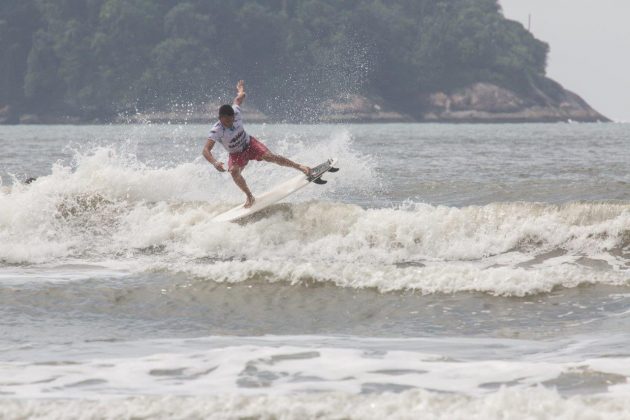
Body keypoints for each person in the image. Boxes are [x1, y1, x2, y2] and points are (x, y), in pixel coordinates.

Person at [203, 80, 311, 208]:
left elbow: (238, 100)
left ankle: (300, 167)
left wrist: (241, 90)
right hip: (236, 154)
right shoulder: (216, 130)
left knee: (270, 157)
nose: (230, 122)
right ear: (220, 119)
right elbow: (206, 150)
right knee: (233, 171)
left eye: (232, 119)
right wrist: (215, 163)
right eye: (227, 121)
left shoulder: (236, 112)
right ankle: (249, 196)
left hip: (250, 144)